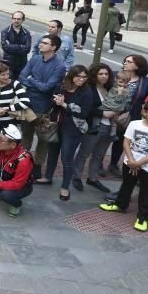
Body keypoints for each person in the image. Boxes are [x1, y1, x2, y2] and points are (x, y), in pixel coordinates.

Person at [99, 100, 148, 232]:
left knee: (146, 193)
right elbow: (126, 142)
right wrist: (132, 161)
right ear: (144, 112)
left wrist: (137, 163)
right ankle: (120, 205)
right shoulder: (134, 124)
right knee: (127, 185)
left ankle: (142, 218)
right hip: (130, 162)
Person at [38, 65, 93, 201]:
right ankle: (48, 177)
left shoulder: (87, 92)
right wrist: (55, 102)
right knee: (52, 153)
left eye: (84, 77)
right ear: (71, 76)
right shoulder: (61, 86)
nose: (81, 79)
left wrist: (64, 105)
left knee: (66, 158)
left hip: (73, 129)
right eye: (78, 76)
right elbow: (51, 103)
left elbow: (83, 114)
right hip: (55, 125)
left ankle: (65, 187)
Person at [18, 35, 66, 179]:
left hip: (44, 108)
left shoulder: (59, 66)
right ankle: (22, 163)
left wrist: (31, 81)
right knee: (25, 136)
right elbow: (21, 76)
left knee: (43, 139)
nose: (40, 44)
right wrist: (35, 83)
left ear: (53, 47)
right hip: (28, 104)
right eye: (41, 42)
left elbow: (47, 88)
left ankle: (37, 166)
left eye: (45, 43)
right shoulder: (35, 59)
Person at [72, 64, 118, 194]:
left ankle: (92, 178)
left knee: (99, 155)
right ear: (94, 75)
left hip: (109, 127)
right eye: (101, 74)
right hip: (94, 125)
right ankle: (76, 176)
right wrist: (102, 114)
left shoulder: (110, 89)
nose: (104, 76)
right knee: (84, 153)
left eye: (106, 74)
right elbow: (86, 109)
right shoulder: (89, 89)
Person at [107, 54, 148, 177]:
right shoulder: (115, 74)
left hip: (130, 117)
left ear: (137, 66)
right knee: (105, 138)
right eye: (125, 61)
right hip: (111, 113)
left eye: (129, 61)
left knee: (121, 141)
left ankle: (113, 164)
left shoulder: (145, 81)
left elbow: (147, 100)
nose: (125, 63)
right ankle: (98, 164)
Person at [1, 11, 31, 79]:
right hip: (7, 63)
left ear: (23, 20)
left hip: (21, 64)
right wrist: (21, 46)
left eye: (18, 19)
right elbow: (5, 47)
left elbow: (27, 49)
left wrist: (11, 46)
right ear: (12, 19)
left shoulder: (27, 33)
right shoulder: (5, 31)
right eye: (14, 18)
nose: (16, 20)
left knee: (18, 84)